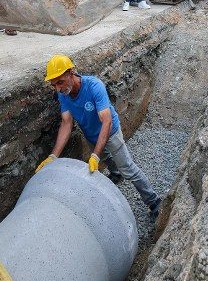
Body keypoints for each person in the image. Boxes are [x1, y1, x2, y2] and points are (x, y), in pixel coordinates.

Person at [36, 54, 161, 219]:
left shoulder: (94, 86)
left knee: (128, 169)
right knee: (107, 158)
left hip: (110, 132)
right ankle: (116, 174)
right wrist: (53, 156)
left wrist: (94, 154)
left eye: (60, 82)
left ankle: (154, 201)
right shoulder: (63, 94)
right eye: (54, 85)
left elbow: (106, 121)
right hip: (91, 133)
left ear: (71, 73)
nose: (58, 88)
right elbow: (66, 123)